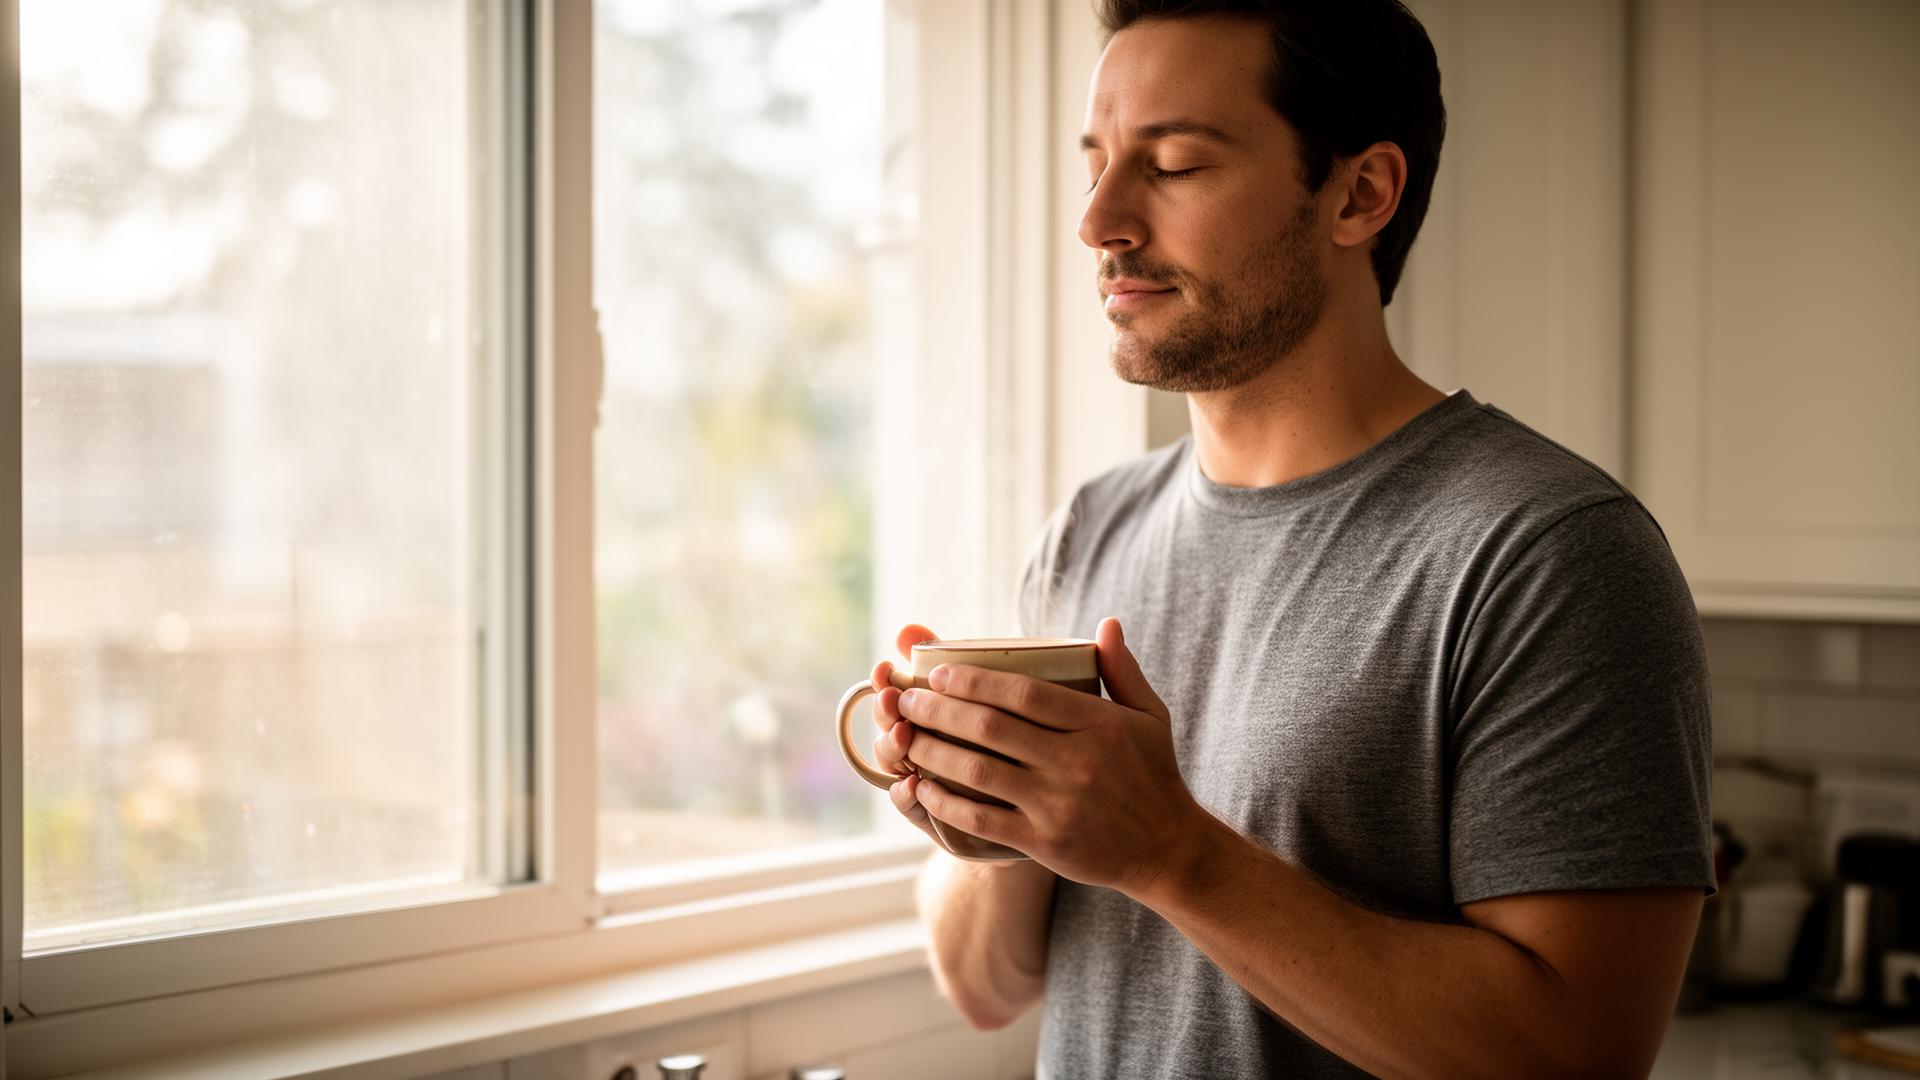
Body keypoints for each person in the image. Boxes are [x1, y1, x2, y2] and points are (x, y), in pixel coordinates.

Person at [863, 1, 1713, 1075]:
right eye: (1096, 163)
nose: (1100, 222)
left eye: (1171, 165)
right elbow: (981, 989)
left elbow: (1576, 1058)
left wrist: (1171, 853)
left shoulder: (1550, 556)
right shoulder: (1090, 529)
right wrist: (998, 816)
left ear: (1359, 195)